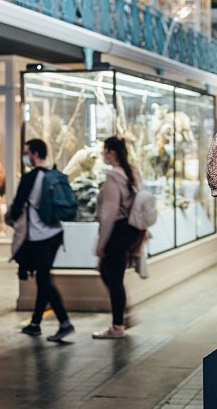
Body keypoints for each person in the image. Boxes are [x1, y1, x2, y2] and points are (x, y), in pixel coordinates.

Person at [9, 138, 74, 342]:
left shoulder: (30, 179)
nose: (25, 156)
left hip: (39, 237)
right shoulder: (55, 174)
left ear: (35, 154)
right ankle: (36, 323)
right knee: (43, 277)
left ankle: (64, 322)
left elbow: (16, 207)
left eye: (27, 152)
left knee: (44, 280)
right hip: (55, 234)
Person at [93, 136, 144, 339]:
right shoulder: (131, 172)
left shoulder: (114, 177)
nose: (103, 154)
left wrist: (101, 243)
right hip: (130, 231)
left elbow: (109, 213)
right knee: (110, 274)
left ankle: (117, 325)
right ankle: (124, 315)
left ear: (111, 153)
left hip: (117, 231)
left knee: (114, 278)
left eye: (105, 150)